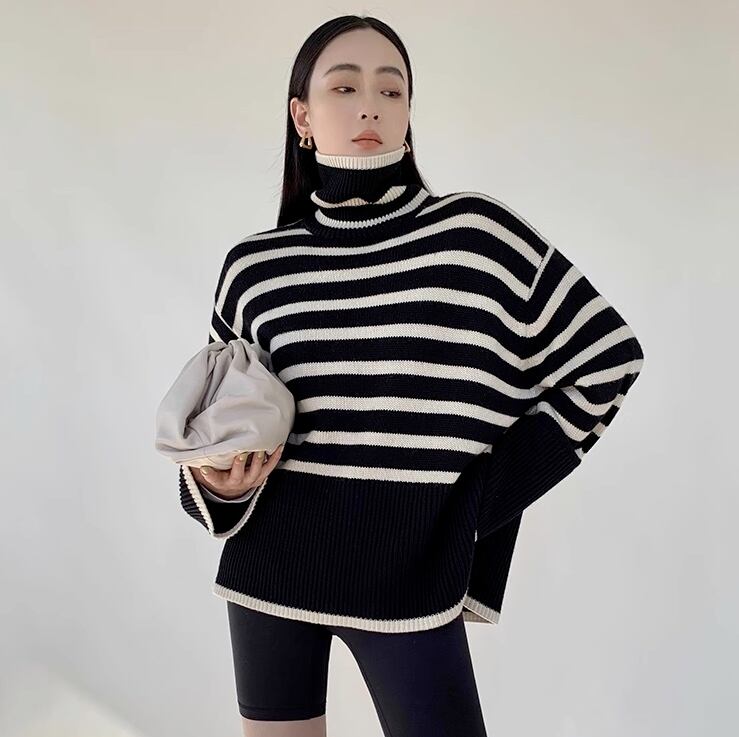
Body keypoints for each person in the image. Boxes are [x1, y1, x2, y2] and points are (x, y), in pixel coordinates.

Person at [175, 15, 645, 737]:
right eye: (344, 87)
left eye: (390, 91)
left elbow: (607, 357)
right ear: (302, 116)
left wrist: (474, 505)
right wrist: (217, 486)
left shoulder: (476, 237)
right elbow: (213, 431)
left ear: (407, 113)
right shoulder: (255, 268)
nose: (370, 105)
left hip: (409, 578)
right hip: (269, 571)